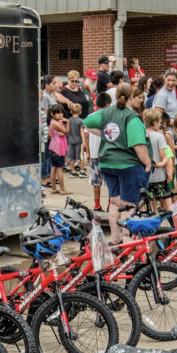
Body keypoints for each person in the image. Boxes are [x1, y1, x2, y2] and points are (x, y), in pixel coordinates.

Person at [83, 83, 152, 243]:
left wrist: (105, 134)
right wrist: (147, 163)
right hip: (128, 164)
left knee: (114, 200)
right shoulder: (131, 117)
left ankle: (115, 238)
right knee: (129, 203)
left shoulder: (106, 113)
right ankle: (127, 240)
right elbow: (138, 145)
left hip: (107, 163)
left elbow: (87, 121)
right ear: (130, 98)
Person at [45, 105, 71, 193]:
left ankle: (53, 188)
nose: (61, 115)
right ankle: (62, 189)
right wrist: (68, 122)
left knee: (54, 168)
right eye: (58, 113)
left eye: (61, 112)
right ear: (52, 114)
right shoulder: (55, 123)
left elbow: (51, 135)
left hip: (54, 147)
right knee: (59, 168)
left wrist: (61, 133)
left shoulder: (53, 122)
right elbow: (67, 131)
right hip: (58, 148)